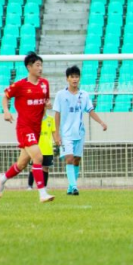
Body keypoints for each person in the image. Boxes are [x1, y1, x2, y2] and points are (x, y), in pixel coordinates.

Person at [0, 52, 53, 203]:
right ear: (29, 67)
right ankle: (42, 193)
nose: (40, 68)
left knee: (21, 163)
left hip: (36, 128)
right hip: (24, 127)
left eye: (41, 65)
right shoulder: (20, 85)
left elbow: (46, 103)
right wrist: (6, 111)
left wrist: (48, 105)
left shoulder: (44, 84)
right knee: (38, 157)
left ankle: (2, 178)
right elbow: (5, 96)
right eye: (37, 65)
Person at [54, 65, 108, 196]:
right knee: (69, 158)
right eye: (72, 76)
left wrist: (101, 122)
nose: (74, 79)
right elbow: (57, 114)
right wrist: (56, 134)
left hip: (79, 133)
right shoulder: (61, 95)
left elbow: (90, 111)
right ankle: (74, 186)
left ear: (79, 78)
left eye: (76, 76)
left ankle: (70, 187)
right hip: (66, 134)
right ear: (67, 78)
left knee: (77, 160)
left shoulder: (84, 95)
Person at [28, 98, 59, 191]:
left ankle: (44, 187)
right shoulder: (33, 119)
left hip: (47, 148)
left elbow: (54, 132)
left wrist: (57, 142)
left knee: (45, 168)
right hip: (36, 148)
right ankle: (30, 186)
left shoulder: (50, 119)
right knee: (34, 167)